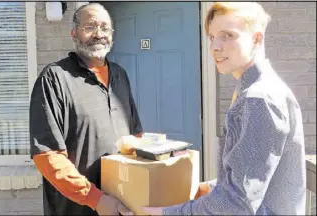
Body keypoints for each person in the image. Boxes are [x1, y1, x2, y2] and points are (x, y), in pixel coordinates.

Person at [141, 2, 306, 215]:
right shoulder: (253, 89)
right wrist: (211, 187)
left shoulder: (259, 98)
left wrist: (164, 213)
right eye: (212, 37)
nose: (215, 46)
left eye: (227, 35)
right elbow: (255, 177)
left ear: (256, 38)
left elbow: (236, 205)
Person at [29, 3, 142, 216]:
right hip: (74, 209)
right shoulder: (54, 79)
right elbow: (48, 156)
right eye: (90, 27)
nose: (99, 34)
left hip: (122, 204)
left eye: (105, 28)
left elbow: (135, 136)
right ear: (74, 33)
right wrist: (96, 200)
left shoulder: (120, 75)